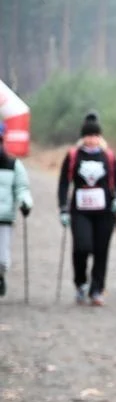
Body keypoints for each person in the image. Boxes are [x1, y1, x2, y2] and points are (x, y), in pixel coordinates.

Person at [56, 112, 116, 305]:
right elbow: (64, 184)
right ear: (83, 137)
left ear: (100, 137)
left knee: (101, 250)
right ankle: (80, 283)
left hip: (105, 212)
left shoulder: (109, 157)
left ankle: (97, 290)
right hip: (80, 211)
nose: (91, 139)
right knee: (82, 247)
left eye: (95, 135)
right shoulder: (72, 156)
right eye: (88, 135)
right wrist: (63, 208)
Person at [0, 122, 33, 298]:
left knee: (2, 262)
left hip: (4, 217)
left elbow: (22, 188)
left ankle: (0, 277)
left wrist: (25, 202)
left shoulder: (13, 164)